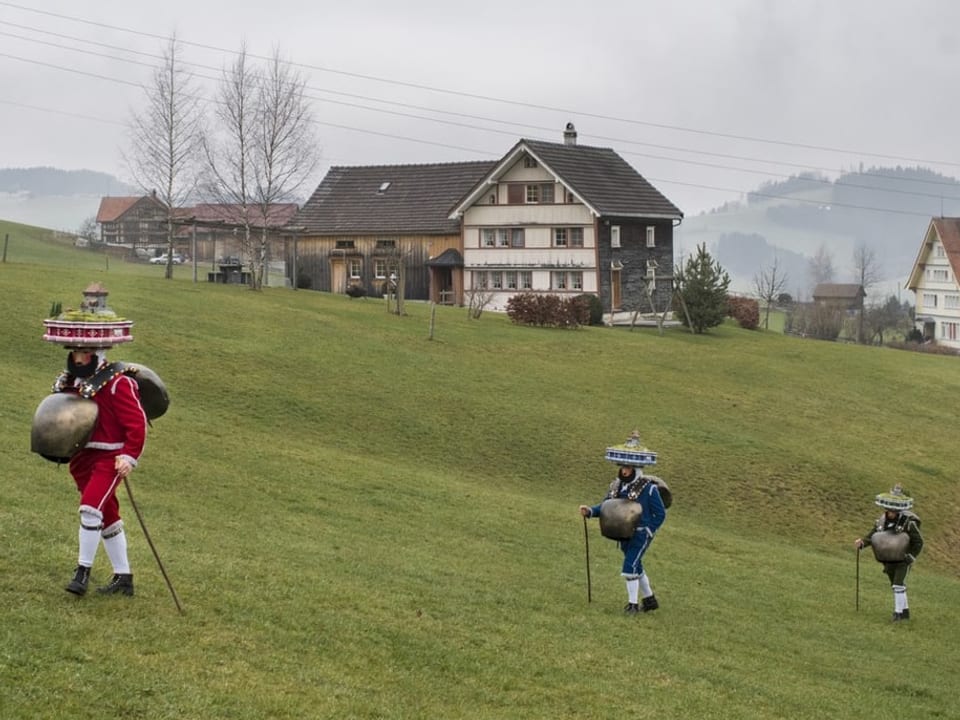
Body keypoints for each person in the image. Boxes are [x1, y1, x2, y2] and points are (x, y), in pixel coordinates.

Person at [39, 283, 148, 598]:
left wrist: (129, 455)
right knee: (108, 514)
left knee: (90, 509)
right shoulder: (71, 382)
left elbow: (136, 423)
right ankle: (123, 578)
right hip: (82, 458)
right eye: (74, 352)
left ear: (96, 352)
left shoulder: (118, 383)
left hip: (109, 460)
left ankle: (82, 573)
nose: (77, 357)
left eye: (83, 352)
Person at [580, 463, 667, 614]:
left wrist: (649, 530)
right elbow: (606, 506)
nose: (624, 471)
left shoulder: (649, 489)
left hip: (640, 534)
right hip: (622, 534)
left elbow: (660, 514)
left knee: (629, 566)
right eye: (622, 467)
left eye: (628, 468)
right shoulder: (616, 486)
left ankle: (632, 605)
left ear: (636, 469)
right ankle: (650, 600)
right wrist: (590, 511)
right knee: (636, 566)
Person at [854, 484, 923, 622]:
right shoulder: (881, 521)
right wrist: (862, 543)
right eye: (888, 510)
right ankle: (905, 612)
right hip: (888, 559)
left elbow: (918, 542)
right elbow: (872, 535)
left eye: (893, 510)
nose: (890, 512)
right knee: (897, 586)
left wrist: (911, 556)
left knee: (898, 584)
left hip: (903, 559)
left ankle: (897, 614)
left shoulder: (908, 523)